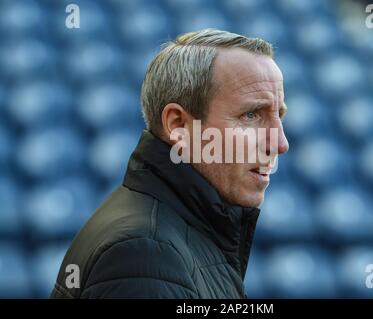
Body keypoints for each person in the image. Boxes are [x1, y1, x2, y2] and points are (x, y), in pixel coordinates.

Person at [51, 29, 289, 299]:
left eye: (279, 116)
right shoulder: (144, 253)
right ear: (178, 125)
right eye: (251, 115)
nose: (280, 143)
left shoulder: (172, 238)